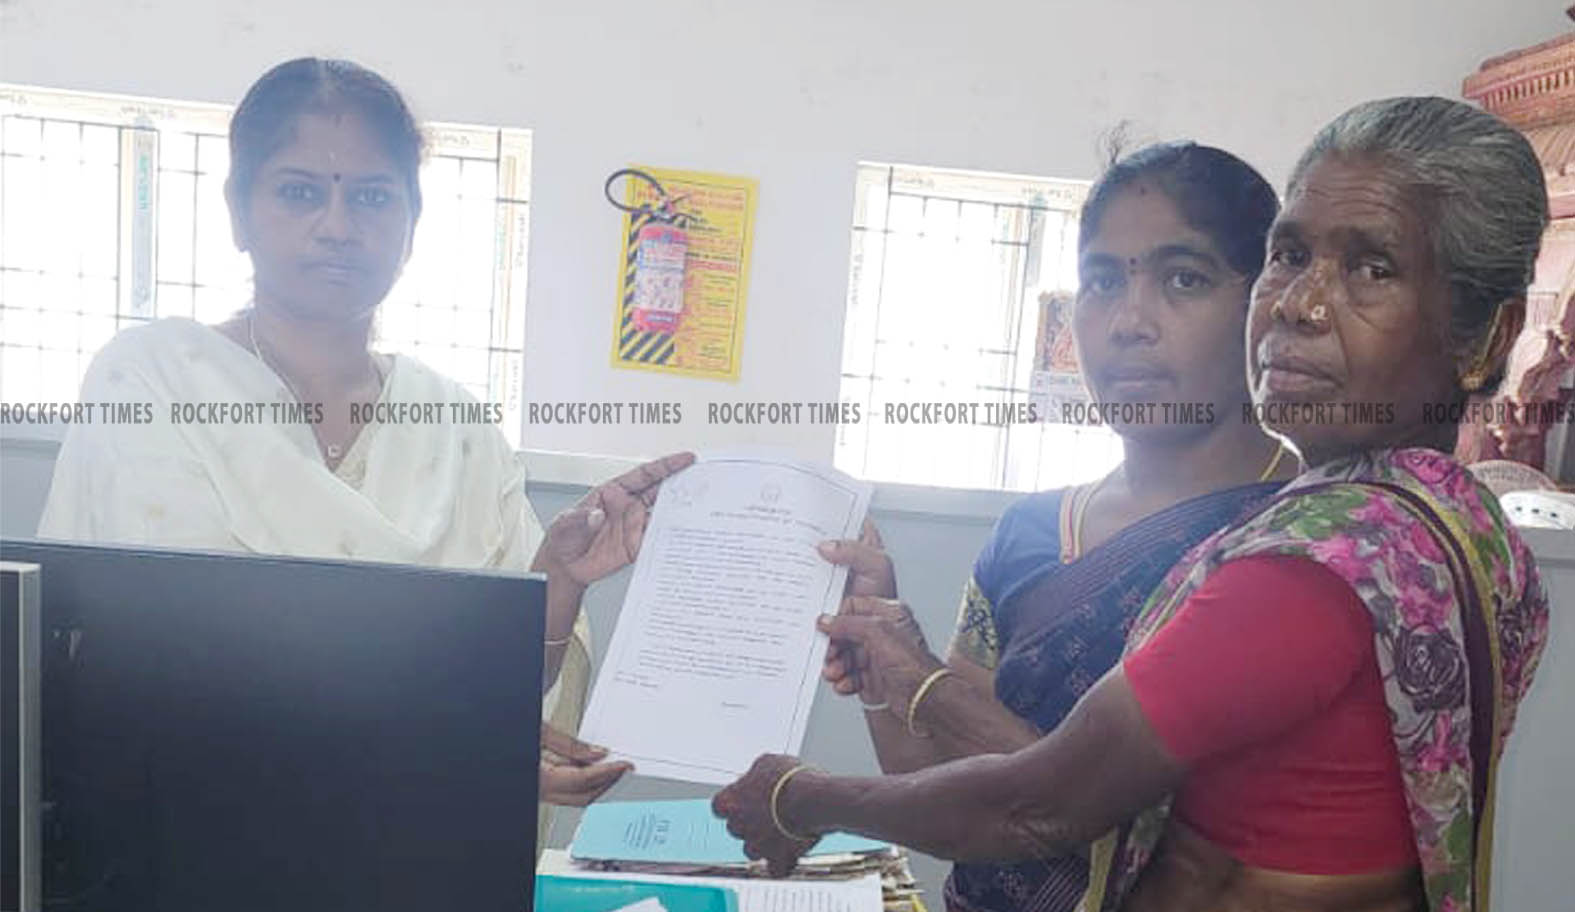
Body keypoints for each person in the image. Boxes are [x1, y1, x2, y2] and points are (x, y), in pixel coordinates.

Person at [716, 96, 1550, 912]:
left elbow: (1048, 805)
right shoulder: (1453, 527)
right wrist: (883, 669)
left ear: (1486, 336)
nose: (1299, 303)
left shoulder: (1304, 563)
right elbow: (942, 781)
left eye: (1372, 269)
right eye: (1290, 257)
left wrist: (804, 791)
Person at [34, 58, 691, 834]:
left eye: (373, 197)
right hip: (187, 834)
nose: (339, 226)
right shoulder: (153, 379)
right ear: (239, 212)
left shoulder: (457, 428)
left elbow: (505, 685)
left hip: (403, 844)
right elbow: (169, 655)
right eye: (299, 191)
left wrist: (557, 575)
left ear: (411, 225)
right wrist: (452, 730)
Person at [814, 141, 1296, 912]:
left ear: (1262, 303)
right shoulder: (1030, 532)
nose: (1128, 322)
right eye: (1101, 280)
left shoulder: (1299, 540)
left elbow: (1109, 822)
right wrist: (880, 652)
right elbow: (929, 782)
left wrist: (919, 684)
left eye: (1183, 278)